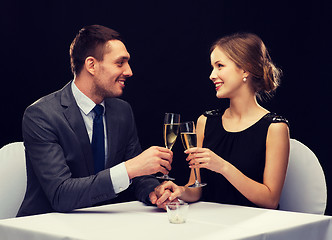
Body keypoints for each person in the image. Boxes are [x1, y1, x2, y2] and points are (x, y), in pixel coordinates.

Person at [17, 25, 173, 217]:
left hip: (103, 225)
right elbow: (60, 195)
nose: (129, 71)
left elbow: (139, 178)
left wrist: (154, 192)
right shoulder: (41, 115)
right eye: (120, 63)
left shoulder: (122, 111)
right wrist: (129, 168)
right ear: (91, 65)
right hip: (43, 227)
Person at [150, 32, 290, 210]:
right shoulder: (206, 121)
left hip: (255, 227)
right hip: (211, 222)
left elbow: (270, 200)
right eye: (212, 67)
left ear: (245, 69)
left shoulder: (275, 127)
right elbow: (196, 189)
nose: (212, 75)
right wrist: (179, 190)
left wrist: (222, 166)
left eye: (220, 66)